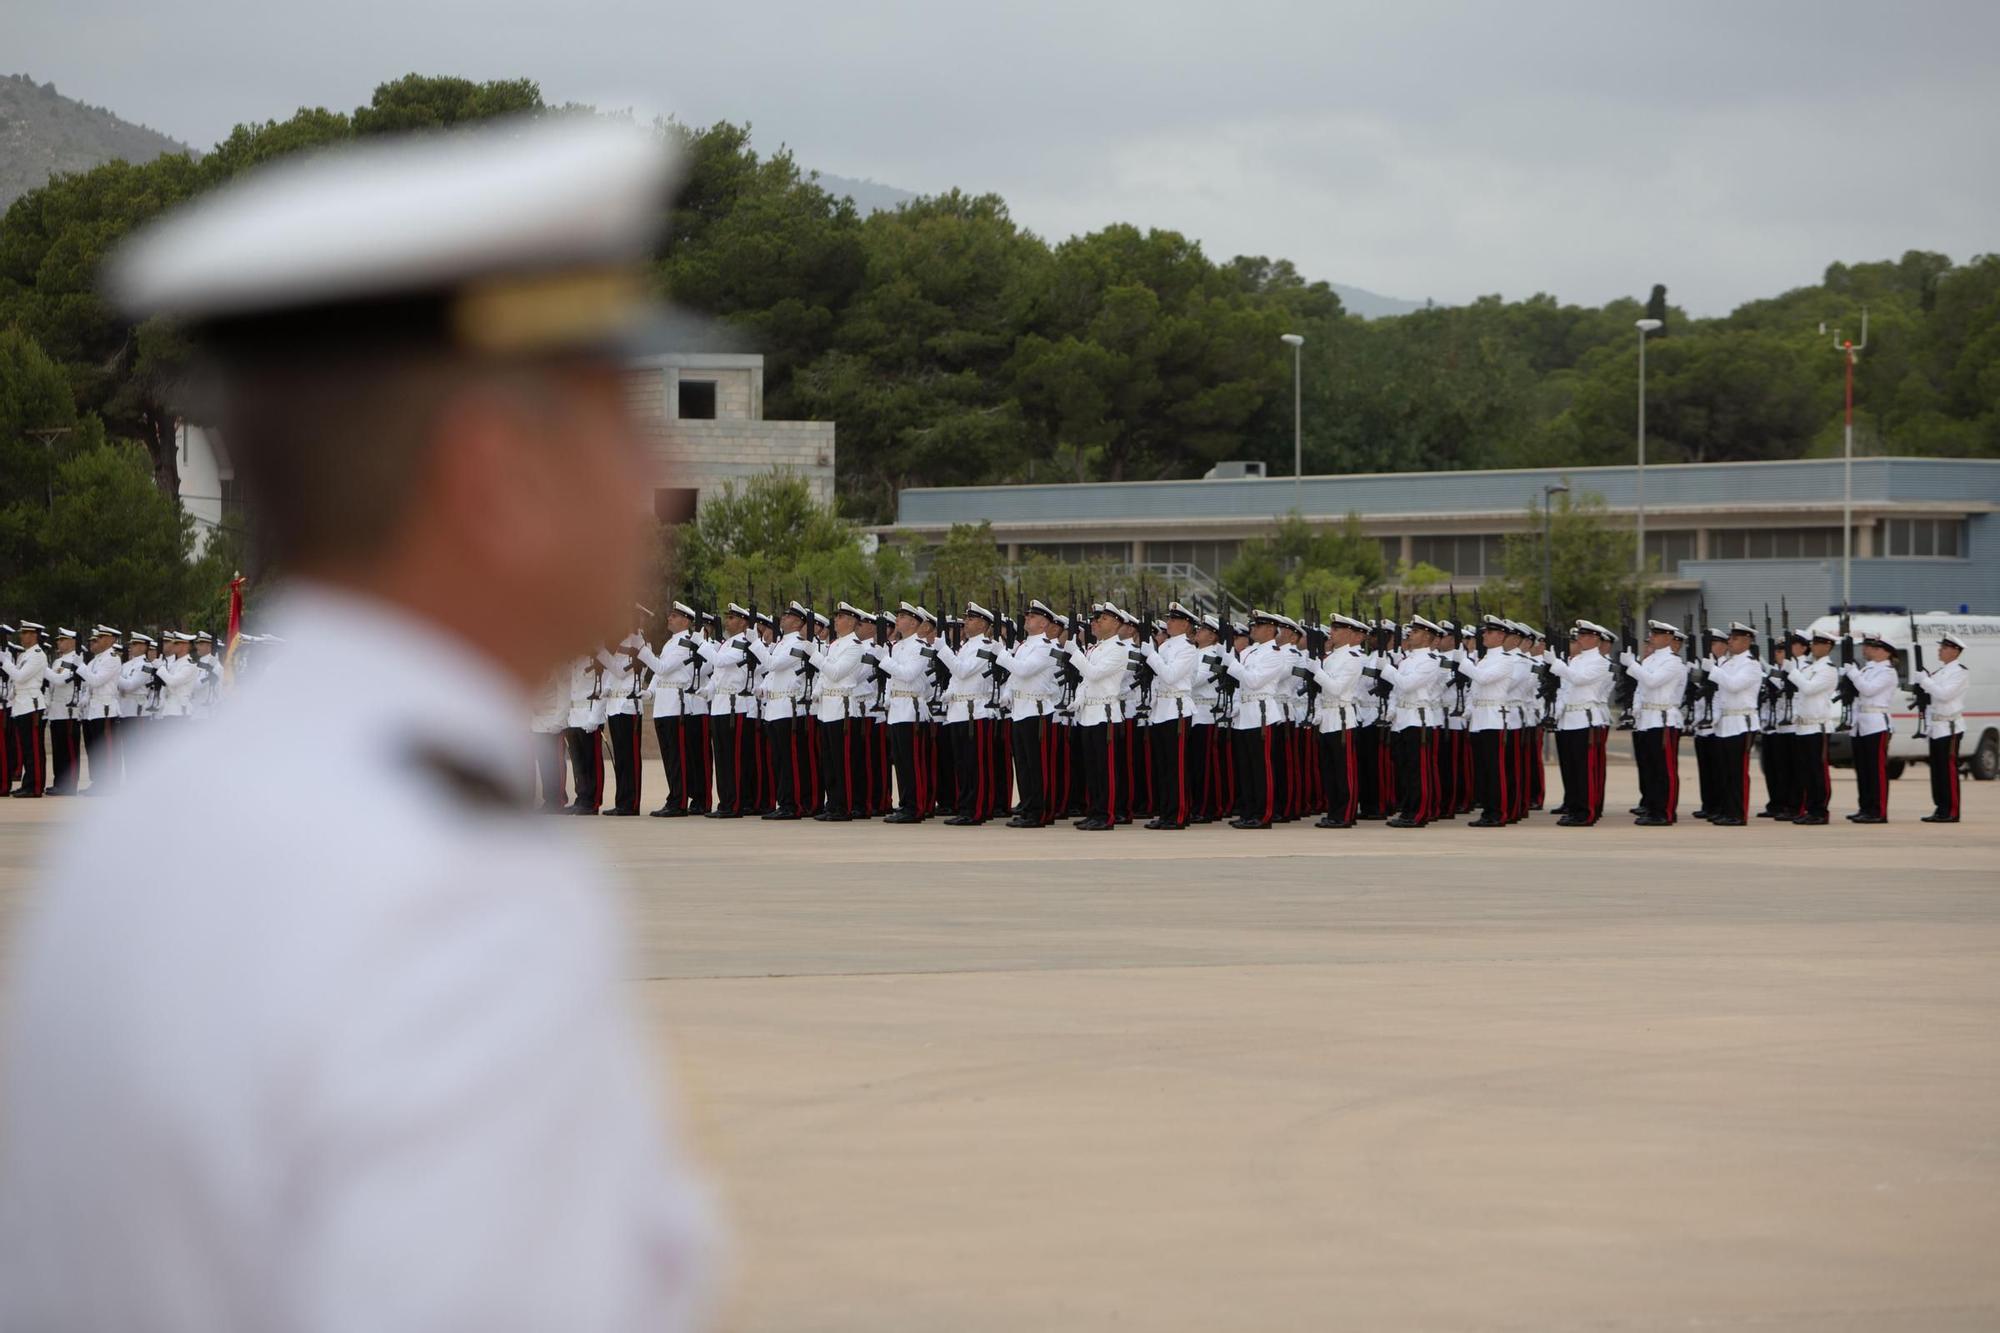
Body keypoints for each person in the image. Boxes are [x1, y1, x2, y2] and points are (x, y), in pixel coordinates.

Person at [0, 120, 712, 1330]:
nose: (649, 479)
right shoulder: (450, 895)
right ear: (496, 472)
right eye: (619, 422)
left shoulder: (173, 806)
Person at [1622, 621, 1690, 825]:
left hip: (1663, 719)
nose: (1651, 636)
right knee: (1650, 769)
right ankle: (1652, 808)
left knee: (1664, 770)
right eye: (1652, 633)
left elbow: (1652, 682)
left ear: (1669, 638)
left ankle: (1665, 812)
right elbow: (1641, 689)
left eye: (1657, 634)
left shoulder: (1672, 662)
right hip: (1648, 719)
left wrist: (1632, 665)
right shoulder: (1651, 660)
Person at [1911, 632, 1970, 823]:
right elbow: (1931, 698)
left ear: (1955, 651)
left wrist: (1925, 681)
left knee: (1948, 770)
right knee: (1937, 770)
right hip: (1937, 726)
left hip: (1949, 726)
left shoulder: (1960, 672)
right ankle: (1940, 808)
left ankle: (1951, 811)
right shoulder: (1941, 671)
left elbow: (1944, 694)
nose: (1940, 650)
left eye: (1944, 648)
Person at [1788, 628, 1840, 825]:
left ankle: (1820, 811)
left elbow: (1808, 689)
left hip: (1818, 727)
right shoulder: (1810, 667)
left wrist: (1791, 671)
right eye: (1813, 643)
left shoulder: (1828, 669)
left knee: (1818, 771)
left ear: (1828, 646)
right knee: (1806, 771)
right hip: (1804, 726)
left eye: (1818, 643)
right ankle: (1810, 808)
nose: (1813, 647)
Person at [1, 622, 50, 797]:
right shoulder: (25, 656)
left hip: (31, 704)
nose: (22, 637)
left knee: (34, 748)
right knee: (26, 746)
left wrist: (5, 662)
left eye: (25, 633)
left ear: (34, 635)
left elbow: (20, 676)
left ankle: (35, 787)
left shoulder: (37, 655)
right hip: (21, 705)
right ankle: (28, 783)